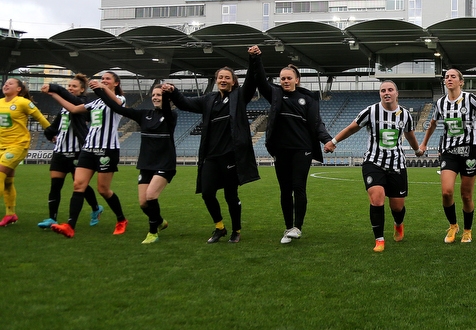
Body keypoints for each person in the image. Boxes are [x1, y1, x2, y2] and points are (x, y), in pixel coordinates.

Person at [162, 65, 259, 244]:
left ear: (234, 81)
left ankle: (236, 230)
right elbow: (186, 103)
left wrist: (253, 59)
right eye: (220, 77)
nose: (223, 80)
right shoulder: (209, 100)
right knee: (207, 193)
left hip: (230, 156)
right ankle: (220, 227)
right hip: (210, 157)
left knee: (231, 196)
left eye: (227, 77)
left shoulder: (239, 97)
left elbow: (252, 82)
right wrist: (174, 91)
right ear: (216, 80)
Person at [324, 80, 421, 252]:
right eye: (383, 90)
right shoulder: (371, 111)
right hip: (373, 162)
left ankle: (398, 224)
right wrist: (333, 141)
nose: (386, 93)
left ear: (396, 93)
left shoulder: (405, 114)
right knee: (377, 198)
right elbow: (352, 128)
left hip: (397, 164)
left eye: (390, 89)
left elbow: (410, 135)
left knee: (397, 207)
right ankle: (379, 239)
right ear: (380, 94)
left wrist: (417, 150)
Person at [248, 46, 331, 244]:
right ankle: (288, 228)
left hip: (302, 150)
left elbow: (317, 123)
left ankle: (297, 227)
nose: (285, 81)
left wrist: (326, 139)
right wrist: (256, 59)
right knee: (285, 190)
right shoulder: (275, 95)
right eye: (282, 78)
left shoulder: (308, 99)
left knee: (298, 187)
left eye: (288, 78)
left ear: (297, 80)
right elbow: (260, 80)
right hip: (281, 151)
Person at [44, 72, 129, 238]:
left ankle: (121, 219)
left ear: (116, 83)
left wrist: (102, 87)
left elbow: (117, 102)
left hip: (107, 149)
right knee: (78, 185)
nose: (104, 81)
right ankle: (70, 226)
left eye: (107, 79)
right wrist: (55, 94)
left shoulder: (119, 99)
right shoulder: (96, 102)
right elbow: (75, 109)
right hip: (88, 149)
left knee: (103, 190)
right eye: (102, 79)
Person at [96, 84, 177, 244]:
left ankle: (153, 232)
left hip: (164, 164)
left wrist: (167, 95)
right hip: (146, 164)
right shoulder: (144, 115)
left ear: (165, 98)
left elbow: (167, 109)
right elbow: (119, 109)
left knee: (151, 196)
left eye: (159, 95)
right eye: (154, 95)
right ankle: (160, 222)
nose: (155, 97)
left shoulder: (171, 115)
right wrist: (99, 90)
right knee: (143, 203)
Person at [418, 68, 476, 244]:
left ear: (461, 82)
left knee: (466, 195)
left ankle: (468, 230)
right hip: (449, 151)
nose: (449, 79)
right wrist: (424, 143)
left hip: (470, 151)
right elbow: (433, 123)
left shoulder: (470, 99)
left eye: (453, 77)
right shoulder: (440, 103)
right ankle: (453, 225)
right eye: (446, 77)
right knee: (447, 192)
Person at [37, 74, 102, 229]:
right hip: (60, 151)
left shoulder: (84, 104)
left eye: (74, 86)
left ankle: (96, 208)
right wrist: (50, 134)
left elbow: (74, 104)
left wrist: (54, 89)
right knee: (55, 185)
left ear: (82, 90)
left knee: (80, 185)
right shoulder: (63, 108)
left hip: (77, 151)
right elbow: (55, 127)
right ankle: (52, 218)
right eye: (69, 86)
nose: (70, 88)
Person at [0, 79, 50, 227]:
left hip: (18, 145)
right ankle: (11, 214)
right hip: (1, 146)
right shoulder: (0, 102)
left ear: (19, 89)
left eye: (10, 83)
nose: (6, 85)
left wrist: (52, 133)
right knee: (8, 182)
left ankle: (10, 214)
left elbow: (40, 117)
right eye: (5, 83)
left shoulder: (22, 102)